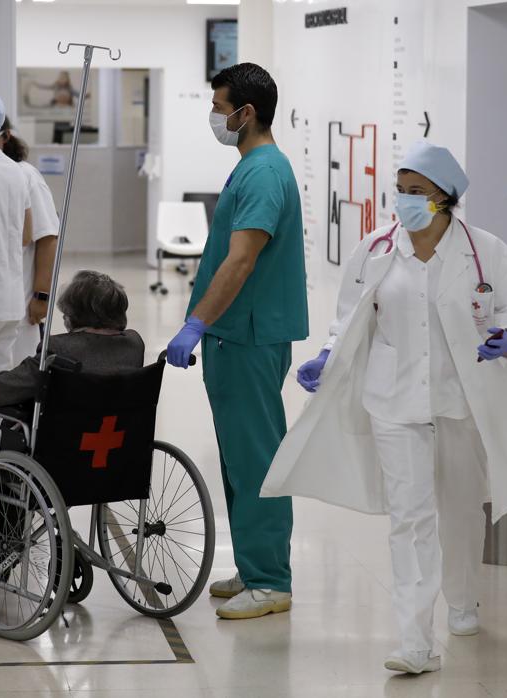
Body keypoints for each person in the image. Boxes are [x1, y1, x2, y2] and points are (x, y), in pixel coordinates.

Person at [261, 142, 507, 674]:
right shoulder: (375, 250)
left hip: (462, 399)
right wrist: (327, 354)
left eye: (418, 193)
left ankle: (462, 600)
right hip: (394, 399)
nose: (405, 202)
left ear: (445, 198)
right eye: (401, 191)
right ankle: (414, 641)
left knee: (461, 508)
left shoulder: (487, 252)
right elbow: (348, 318)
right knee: (409, 518)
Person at [164, 63, 308, 620]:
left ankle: (271, 580)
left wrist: (197, 321)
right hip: (233, 335)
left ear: (246, 113)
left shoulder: (265, 174)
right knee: (237, 460)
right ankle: (253, 566)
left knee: (257, 458)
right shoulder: (250, 167)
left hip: (246, 336)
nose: (215, 119)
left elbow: (242, 259)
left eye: (220, 108)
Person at [0, 270, 144, 408]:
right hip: (121, 436)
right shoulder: (134, 344)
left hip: (64, 437)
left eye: (66, 312)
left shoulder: (59, 351)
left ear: (73, 315)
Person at [0, 93, 55, 374]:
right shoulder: (14, 173)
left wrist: (41, 296)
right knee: (0, 383)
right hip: (9, 299)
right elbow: (26, 235)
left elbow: (46, 237)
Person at [0, 118, 60, 361]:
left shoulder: (25, 175)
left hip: (20, 302)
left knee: (15, 375)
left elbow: (47, 238)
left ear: (6, 137)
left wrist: (41, 296)